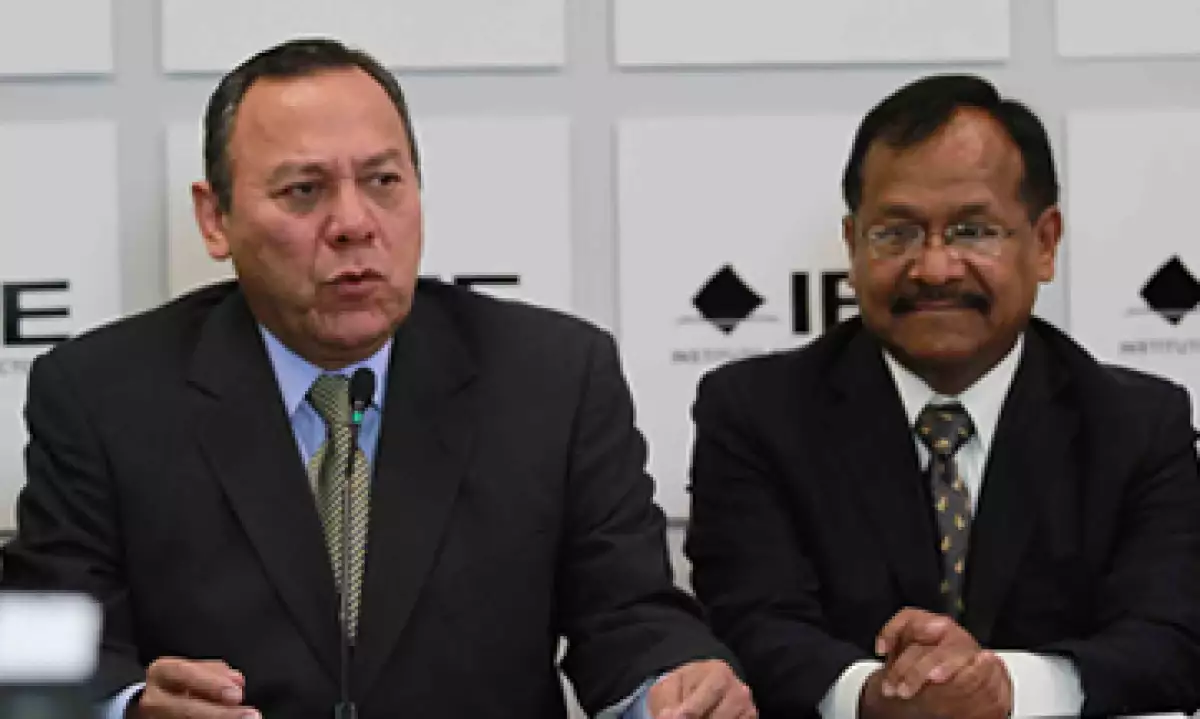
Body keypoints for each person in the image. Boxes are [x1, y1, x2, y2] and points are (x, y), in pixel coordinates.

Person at [0, 38, 756, 719]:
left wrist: (671, 684)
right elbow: (54, 646)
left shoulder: (553, 377)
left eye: (383, 181)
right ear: (215, 219)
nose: (355, 222)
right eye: (304, 190)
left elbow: (627, 614)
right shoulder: (102, 395)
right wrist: (130, 708)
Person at [683, 73, 1200, 719]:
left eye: (973, 231)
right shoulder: (756, 411)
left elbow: (1169, 641)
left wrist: (1000, 689)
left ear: (1043, 243)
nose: (933, 268)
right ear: (852, 245)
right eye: (894, 233)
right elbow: (752, 623)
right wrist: (879, 696)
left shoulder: (1138, 424)